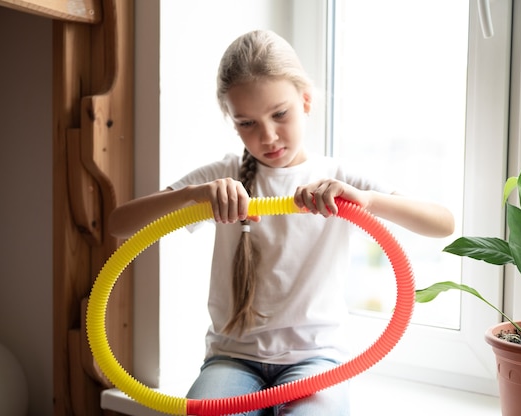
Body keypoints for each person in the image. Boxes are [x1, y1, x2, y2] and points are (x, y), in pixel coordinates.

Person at [108, 29, 454, 416]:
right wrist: (192, 195)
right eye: (247, 123)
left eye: (279, 114)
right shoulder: (223, 176)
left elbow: (442, 224)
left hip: (317, 360)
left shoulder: (337, 176)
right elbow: (119, 225)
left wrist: (368, 201)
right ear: (232, 121)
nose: (268, 136)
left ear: (305, 101)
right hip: (232, 358)